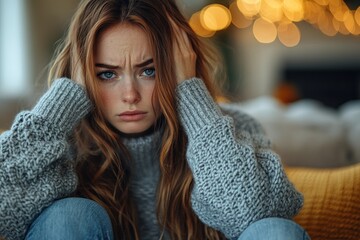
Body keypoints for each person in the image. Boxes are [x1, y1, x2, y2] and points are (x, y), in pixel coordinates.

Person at [0, 0, 310, 239]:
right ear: (84, 77)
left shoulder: (233, 129)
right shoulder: (60, 144)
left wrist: (191, 96)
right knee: (70, 216)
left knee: (275, 231)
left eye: (149, 70)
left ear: (179, 67)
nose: (130, 94)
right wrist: (60, 106)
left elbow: (255, 214)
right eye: (107, 74)